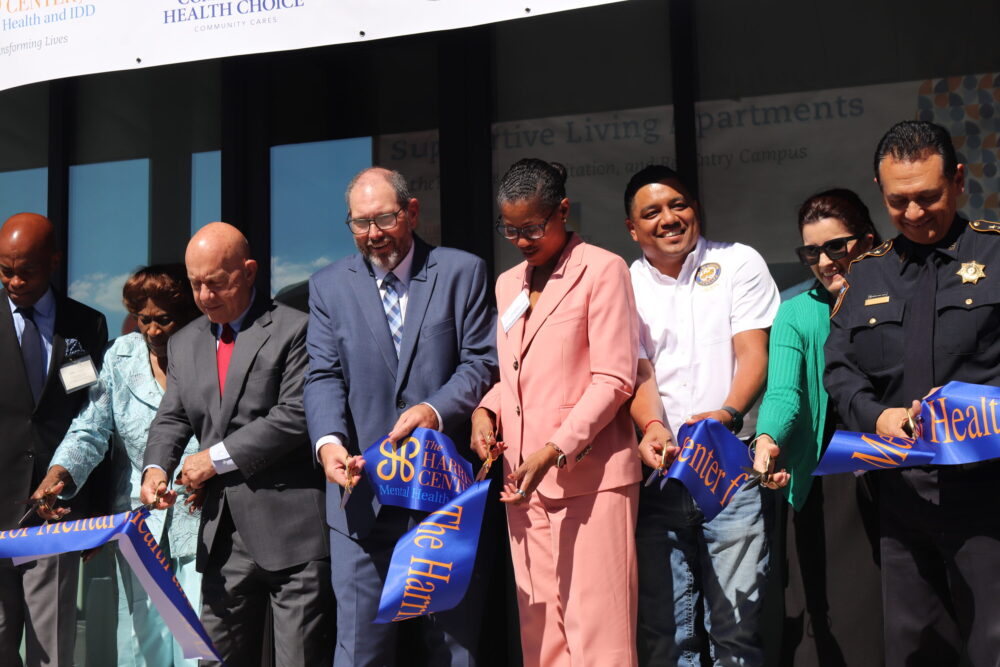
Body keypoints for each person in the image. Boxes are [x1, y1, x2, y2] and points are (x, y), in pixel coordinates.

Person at [304, 166, 497, 666]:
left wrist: (434, 410)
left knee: (454, 652)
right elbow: (323, 376)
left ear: (411, 212)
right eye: (360, 223)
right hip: (361, 500)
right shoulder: (328, 286)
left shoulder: (462, 271)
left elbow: (482, 361)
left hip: (443, 501)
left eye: (384, 219)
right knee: (360, 653)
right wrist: (329, 443)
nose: (373, 234)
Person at [824, 120, 1000, 665]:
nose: (916, 214)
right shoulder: (867, 277)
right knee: (915, 648)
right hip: (901, 501)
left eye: (929, 197)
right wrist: (873, 415)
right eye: (899, 202)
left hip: (989, 494)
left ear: (959, 180)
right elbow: (840, 367)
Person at [472, 158, 641, 666]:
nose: (522, 239)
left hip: (590, 477)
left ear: (563, 210)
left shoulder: (604, 269)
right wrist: (485, 411)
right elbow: (515, 374)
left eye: (533, 227)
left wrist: (555, 448)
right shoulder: (507, 285)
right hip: (522, 482)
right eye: (510, 229)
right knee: (542, 637)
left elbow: (614, 378)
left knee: (599, 638)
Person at [140, 223, 332, 666]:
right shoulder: (184, 342)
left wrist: (213, 461)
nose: (204, 296)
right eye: (195, 284)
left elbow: (296, 415)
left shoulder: (296, 328)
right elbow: (172, 417)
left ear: (248, 272)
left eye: (216, 282)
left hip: (293, 536)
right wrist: (155, 470)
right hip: (223, 536)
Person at [623, 165, 780, 666]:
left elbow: (754, 353)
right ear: (632, 228)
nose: (669, 218)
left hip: (730, 471)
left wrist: (729, 413)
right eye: (652, 212)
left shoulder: (737, 262)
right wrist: (652, 426)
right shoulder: (621, 284)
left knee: (736, 630)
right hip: (660, 476)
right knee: (669, 636)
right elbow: (636, 371)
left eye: (678, 205)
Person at [30, 264, 203, 667]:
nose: (153, 330)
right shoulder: (119, 357)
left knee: (199, 642)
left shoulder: (207, 352)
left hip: (201, 521)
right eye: (144, 319)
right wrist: (59, 475)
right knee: (143, 644)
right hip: (140, 525)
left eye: (164, 319)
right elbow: (90, 428)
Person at [751, 190, 883, 665]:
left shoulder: (900, 293)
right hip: (826, 478)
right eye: (812, 252)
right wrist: (767, 440)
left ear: (868, 240)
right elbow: (784, 393)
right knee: (825, 629)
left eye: (837, 247)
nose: (825, 261)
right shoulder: (797, 312)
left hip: (897, 473)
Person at [0, 212, 109, 666]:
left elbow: (98, 417)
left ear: (54, 262)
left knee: (55, 648)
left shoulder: (86, 325)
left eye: (25, 270)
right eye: (5, 269)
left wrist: (95, 512)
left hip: (55, 511)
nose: (14, 280)